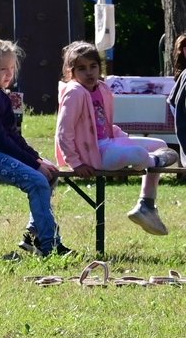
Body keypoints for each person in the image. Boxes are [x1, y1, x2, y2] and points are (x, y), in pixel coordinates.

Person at [55, 40, 175, 235]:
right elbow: (63, 131)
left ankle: (146, 204)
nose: (89, 73)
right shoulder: (74, 93)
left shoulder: (102, 89)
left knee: (159, 143)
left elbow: (103, 126)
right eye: (82, 68)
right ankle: (154, 161)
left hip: (107, 144)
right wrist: (75, 162)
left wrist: (123, 138)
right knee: (139, 154)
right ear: (71, 72)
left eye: (93, 66)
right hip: (90, 156)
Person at [0, 38, 67, 256]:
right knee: (38, 180)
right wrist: (33, 165)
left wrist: (37, 159)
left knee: (49, 173)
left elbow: (12, 135)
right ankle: (50, 245)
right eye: (3, 69)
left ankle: (32, 236)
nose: (9, 74)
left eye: (12, 68)